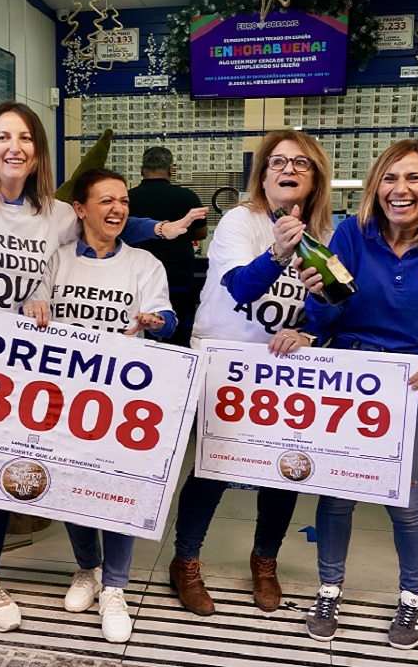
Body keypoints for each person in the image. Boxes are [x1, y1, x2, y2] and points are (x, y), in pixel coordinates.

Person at [0, 101, 205, 640]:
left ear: (37, 150)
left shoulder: (50, 211)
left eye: (25, 138)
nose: (14, 147)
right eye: (4, 136)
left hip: (12, 369)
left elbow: (108, 215)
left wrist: (164, 228)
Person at [299, 139, 418, 650]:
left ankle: (412, 599)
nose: (400, 189)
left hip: (412, 382)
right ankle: (329, 587)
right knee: (336, 494)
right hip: (349, 376)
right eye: (390, 178)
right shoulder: (352, 235)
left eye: (414, 178)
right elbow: (330, 314)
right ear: (376, 185)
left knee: (407, 501)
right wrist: (317, 299)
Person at [168, 130, 334, 616]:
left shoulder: (325, 232)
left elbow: (332, 311)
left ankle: (265, 562)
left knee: (282, 470)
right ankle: (186, 562)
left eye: (300, 164)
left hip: (285, 371)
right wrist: (279, 254)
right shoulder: (241, 222)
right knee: (213, 468)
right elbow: (240, 287)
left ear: (315, 176)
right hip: (227, 363)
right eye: (277, 162)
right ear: (261, 175)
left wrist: (312, 330)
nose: (288, 170)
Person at [34, 167, 176, 643]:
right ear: (80, 209)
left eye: (124, 201)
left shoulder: (143, 263)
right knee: (69, 483)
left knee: (116, 490)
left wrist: (156, 321)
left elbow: (169, 319)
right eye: (106, 201)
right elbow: (33, 307)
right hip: (61, 394)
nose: (118, 209)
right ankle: (87, 569)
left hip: (120, 397)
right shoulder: (55, 261)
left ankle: (115, 587)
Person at [128, 146, 208, 347]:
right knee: (180, 334)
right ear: (171, 170)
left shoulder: (127, 198)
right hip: (178, 278)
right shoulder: (187, 197)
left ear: (141, 169)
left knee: (139, 331)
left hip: (137, 282)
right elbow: (202, 233)